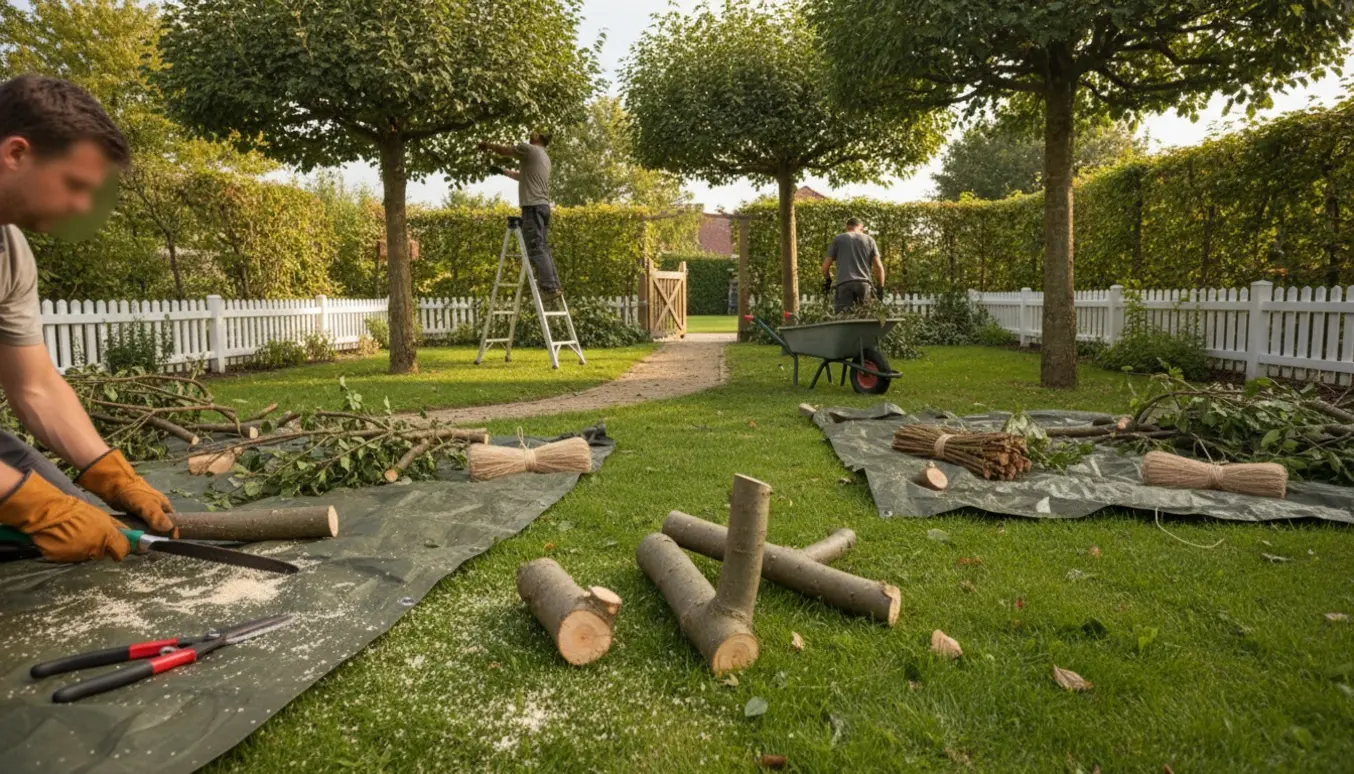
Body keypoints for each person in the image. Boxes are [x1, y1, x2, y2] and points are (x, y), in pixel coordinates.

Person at [0, 75, 177, 562]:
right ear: (16, 153)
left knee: (85, 520)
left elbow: (35, 386)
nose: (82, 207)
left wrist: (112, 477)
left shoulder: (10, 255)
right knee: (40, 515)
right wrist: (30, 507)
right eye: (74, 185)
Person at [477, 133, 563, 300]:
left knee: (536, 247)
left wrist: (487, 145)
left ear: (538, 138)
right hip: (544, 207)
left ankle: (549, 288)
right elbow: (522, 176)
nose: (531, 133)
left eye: (534, 132)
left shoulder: (528, 148)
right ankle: (554, 284)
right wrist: (502, 171)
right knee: (543, 247)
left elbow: (505, 151)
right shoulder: (544, 157)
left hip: (532, 206)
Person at [822, 217, 885, 312]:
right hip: (864, 285)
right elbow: (879, 267)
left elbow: (825, 267)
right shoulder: (869, 240)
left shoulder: (838, 239)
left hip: (844, 285)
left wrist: (828, 281)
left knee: (843, 319)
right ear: (861, 228)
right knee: (863, 319)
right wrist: (880, 287)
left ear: (847, 228)